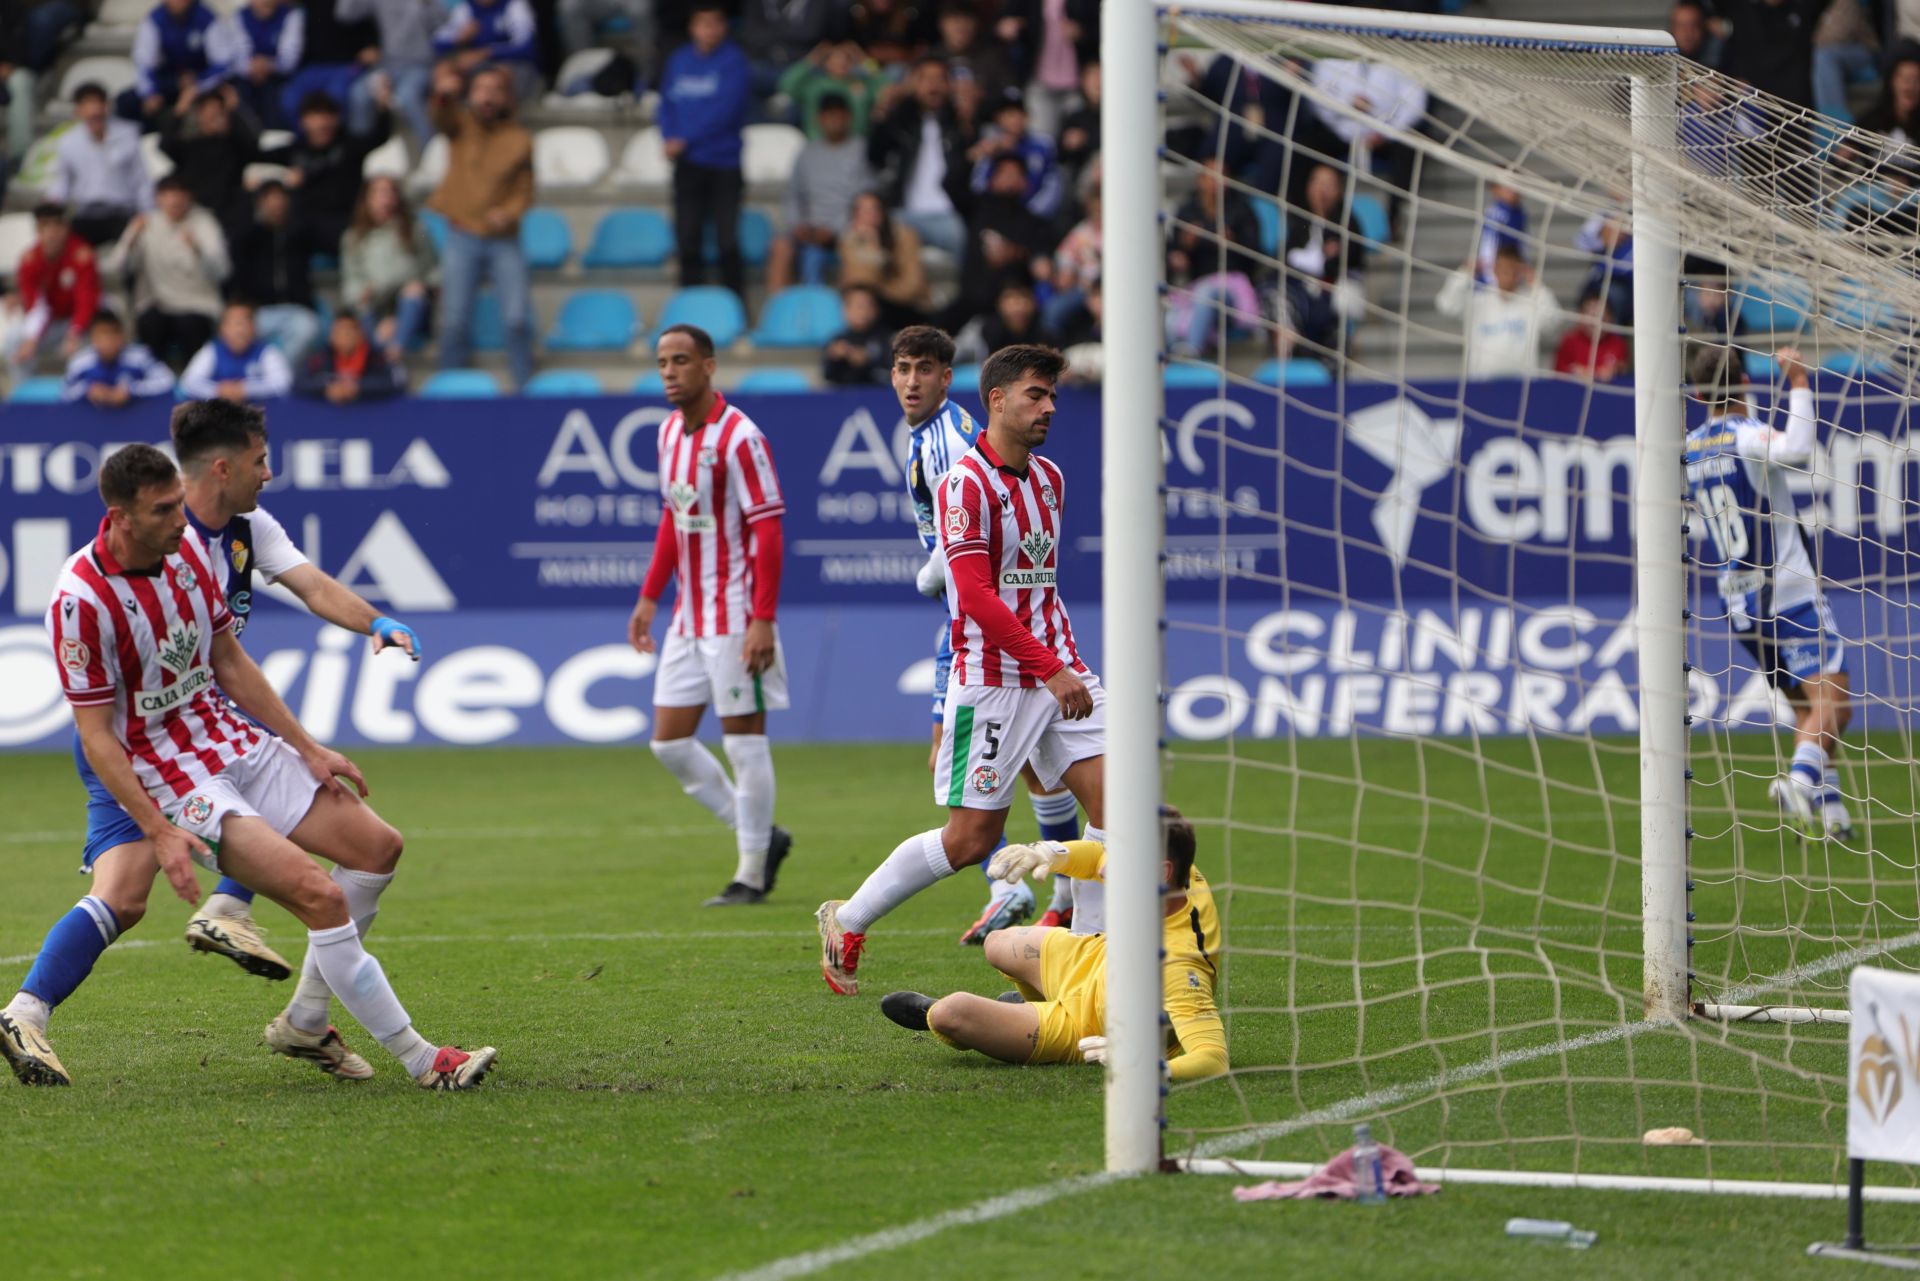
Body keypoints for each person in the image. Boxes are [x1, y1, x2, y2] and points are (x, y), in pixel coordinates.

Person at [8, 435, 491, 1091]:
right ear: (120, 516)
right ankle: (423, 1058)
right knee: (316, 894)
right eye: (162, 510)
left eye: (180, 503)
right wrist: (160, 830)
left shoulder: (185, 556)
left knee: (377, 846)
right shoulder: (80, 601)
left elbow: (230, 661)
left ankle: (305, 1017)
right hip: (171, 775)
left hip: (229, 736)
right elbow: (97, 738)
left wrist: (308, 747)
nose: (181, 520)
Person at [818, 344, 1105, 995]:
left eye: (1054, 396)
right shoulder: (963, 484)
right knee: (971, 839)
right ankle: (848, 918)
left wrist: (1062, 668)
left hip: (1062, 669)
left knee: (1117, 808)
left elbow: (1038, 589)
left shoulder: (1051, 478)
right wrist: (1047, 668)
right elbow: (973, 596)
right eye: (1037, 394)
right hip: (996, 682)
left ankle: (1087, 962)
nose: (1050, 407)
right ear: (996, 400)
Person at [889, 326, 1083, 940]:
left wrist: (936, 569)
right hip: (982, 626)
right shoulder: (925, 439)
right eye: (902, 368)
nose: (912, 381)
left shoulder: (953, 446)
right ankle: (1048, 894)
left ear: (950, 379)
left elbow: (970, 564)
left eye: (925, 369)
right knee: (1033, 771)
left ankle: (1016, 889)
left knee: (980, 770)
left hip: (978, 633)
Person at [628, 324, 795, 906]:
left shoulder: (741, 437)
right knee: (668, 743)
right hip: (687, 616)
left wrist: (762, 618)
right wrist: (651, 595)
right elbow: (676, 521)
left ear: (709, 366)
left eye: (680, 361)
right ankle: (760, 834)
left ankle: (750, 873)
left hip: (735, 615)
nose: (670, 372)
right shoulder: (669, 432)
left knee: (744, 744)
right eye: (662, 363)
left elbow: (768, 529)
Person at [878, 807, 1227, 1084]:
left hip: (1090, 1024)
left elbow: (1212, 1058)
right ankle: (1033, 1005)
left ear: (1162, 872)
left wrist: (1149, 1066)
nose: (1106, 870)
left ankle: (990, 1019)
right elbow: (1096, 855)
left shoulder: (1179, 965)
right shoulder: (1180, 872)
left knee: (950, 1013)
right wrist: (1048, 853)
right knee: (998, 942)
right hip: (1096, 960)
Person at [1685, 344, 1854, 841]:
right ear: (1746, 382)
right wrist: (1798, 379)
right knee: (1834, 706)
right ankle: (1800, 781)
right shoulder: (1747, 436)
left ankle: (1832, 813)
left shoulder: (1691, 446)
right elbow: (1797, 449)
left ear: (1697, 394)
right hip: (1788, 591)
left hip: (1740, 604)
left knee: (1806, 707)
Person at [427, 61, 534, 387]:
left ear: (505, 97)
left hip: (503, 239)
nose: (487, 96)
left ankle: (525, 390)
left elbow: (525, 189)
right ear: (471, 94)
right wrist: (443, 96)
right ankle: (449, 391)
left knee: (516, 319)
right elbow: (439, 117)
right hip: (462, 236)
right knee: (453, 322)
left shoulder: (519, 139)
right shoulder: (459, 125)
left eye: (495, 90)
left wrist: (510, 213)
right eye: (481, 89)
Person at [659, 4, 750, 300]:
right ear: (692, 27)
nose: (708, 30)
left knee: (726, 241)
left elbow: (726, 111)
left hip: (724, 164)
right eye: (703, 24)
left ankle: (735, 307)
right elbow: (666, 104)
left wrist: (683, 138)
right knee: (687, 241)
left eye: (715, 24)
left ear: (724, 27)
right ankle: (689, 308)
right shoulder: (680, 59)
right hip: (687, 165)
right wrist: (668, 135)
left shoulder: (734, 61)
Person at [108, 174, 229, 370]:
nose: (175, 199)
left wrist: (198, 250)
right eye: (168, 194)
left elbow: (222, 272)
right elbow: (117, 268)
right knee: (150, 324)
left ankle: (195, 384)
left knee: (191, 325)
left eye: (181, 193)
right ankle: (152, 382)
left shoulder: (205, 222)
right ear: (158, 198)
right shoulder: (144, 223)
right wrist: (130, 242)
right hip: (157, 301)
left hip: (197, 303)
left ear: (190, 197)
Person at [256, 86, 392, 254]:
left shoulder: (348, 146)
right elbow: (253, 154)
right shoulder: (295, 150)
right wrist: (281, 178)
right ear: (303, 121)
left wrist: (383, 107)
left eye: (328, 116)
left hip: (344, 222)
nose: (322, 123)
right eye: (315, 116)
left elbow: (379, 136)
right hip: (304, 227)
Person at [765, 91, 871, 293]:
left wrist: (834, 229)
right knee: (780, 246)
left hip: (847, 229)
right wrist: (798, 225)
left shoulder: (861, 150)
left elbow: (862, 199)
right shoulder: (807, 152)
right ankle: (776, 312)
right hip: (808, 228)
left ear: (849, 117)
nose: (834, 120)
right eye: (829, 115)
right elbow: (792, 194)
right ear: (819, 119)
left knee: (818, 255)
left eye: (839, 114)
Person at [867, 55, 970, 258]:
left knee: (964, 239)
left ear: (950, 86)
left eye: (940, 79)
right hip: (904, 213)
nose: (933, 86)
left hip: (947, 214)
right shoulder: (899, 123)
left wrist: (969, 117)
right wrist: (883, 110)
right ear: (912, 83)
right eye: (925, 79)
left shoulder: (957, 126)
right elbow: (875, 156)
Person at [1164, 156, 1264, 358]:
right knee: (1171, 308)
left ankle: (1192, 351)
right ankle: (1173, 355)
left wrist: (1232, 243)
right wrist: (1183, 249)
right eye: (1210, 176)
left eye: (1221, 176)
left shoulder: (1240, 209)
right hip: (1194, 285)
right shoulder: (1187, 210)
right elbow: (1174, 251)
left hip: (1233, 287)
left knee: (1206, 293)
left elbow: (1255, 252)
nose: (1216, 181)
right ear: (1200, 180)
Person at [1277, 162, 1367, 363]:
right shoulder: (1300, 222)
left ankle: (1334, 354)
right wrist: (1321, 260)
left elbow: (1344, 261)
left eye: (1328, 184)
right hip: (1303, 288)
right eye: (1317, 183)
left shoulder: (1347, 222)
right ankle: (1292, 355)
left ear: (1338, 190)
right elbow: (1287, 259)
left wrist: (1321, 265)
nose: (1321, 189)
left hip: (1338, 286)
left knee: (1339, 300)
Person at [342, 173, 437, 361]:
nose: (383, 199)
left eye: (388, 193)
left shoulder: (414, 230)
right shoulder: (353, 238)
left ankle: (394, 352)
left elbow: (432, 269)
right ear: (366, 200)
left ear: (397, 199)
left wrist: (396, 318)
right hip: (375, 306)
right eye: (377, 193)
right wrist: (364, 292)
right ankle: (380, 357)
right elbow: (350, 280)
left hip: (408, 306)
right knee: (361, 304)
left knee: (413, 290)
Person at [1434, 244, 1562, 380]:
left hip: (1523, 386)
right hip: (1481, 386)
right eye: (1503, 268)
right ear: (1494, 269)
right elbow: (1446, 306)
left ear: (1521, 271)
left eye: (1512, 269)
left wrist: (1537, 286)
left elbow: (1553, 321)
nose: (1508, 274)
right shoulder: (1478, 301)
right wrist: (1464, 273)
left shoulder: (1531, 302)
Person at [49, 83, 154, 247]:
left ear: (107, 107)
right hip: (85, 214)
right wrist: (53, 205)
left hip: (123, 212)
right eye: (90, 116)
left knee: (138, 246)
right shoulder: (68, 142)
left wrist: (147, 212)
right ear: (78, 111)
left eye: (98, 115)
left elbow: (140, 179)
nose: (95, 119)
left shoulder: (128, 135)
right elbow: (62, 181)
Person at [5, 203, 99, 384]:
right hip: (49, 323)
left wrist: (75, 331)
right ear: (38, 230)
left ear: (66, 228)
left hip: (80, 322)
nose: (52, 233)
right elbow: (35, 303)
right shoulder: (29, 260)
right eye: (45, 226)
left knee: (88, 349)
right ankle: (25, 396)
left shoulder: (82, 254)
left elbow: (86, 299)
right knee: (14, 342)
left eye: (57, 225)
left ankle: (81, 398)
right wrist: (32, 338)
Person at [231, 181, 323, 366]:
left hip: (296, 308)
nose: (276, 204)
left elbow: (323, 230)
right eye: (270, 199)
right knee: (237, 330)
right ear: (260, 203)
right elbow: (235, 247)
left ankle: (277, 376)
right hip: (258, 310)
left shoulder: (300, 233)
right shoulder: (249, 236)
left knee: (308, 328)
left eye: (280, 198)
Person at [157, 82, 263, 241]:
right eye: (208, 112)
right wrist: (180, 109)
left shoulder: (235, 147)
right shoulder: (189, 147)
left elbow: (253, 145)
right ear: (199, 115)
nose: (213, 116)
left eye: (218, 112)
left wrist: (234, 110)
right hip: (196, 216)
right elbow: (165, 145)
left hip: (230, 215)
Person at [337, 0, 439, 142]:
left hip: (420, 66)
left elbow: (443, 25)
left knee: (407, 96)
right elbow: (345, 14)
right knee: (358, 94)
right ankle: (358, 156)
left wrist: (428, 5)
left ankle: (432, 154)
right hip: (387, 66)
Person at [123, 0, 236, 126]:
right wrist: (150, 92)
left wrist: (197, 86)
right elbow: (143, 63)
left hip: (201, 83)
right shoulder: (154, 20)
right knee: (127, 102)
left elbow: (223, 62)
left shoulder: (206, 18)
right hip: (169, 82)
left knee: (232, 96)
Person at [964, 89, 1060, 222]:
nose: (1015, 119)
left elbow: (1052, 187)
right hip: (996, 216)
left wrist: (1031, 214)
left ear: (1027, 116)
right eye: (1009, 114)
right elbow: (977, 186)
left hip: (1033, 217)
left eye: (1018, 114)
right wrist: (987, 154)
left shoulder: (1043, 145)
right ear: (998, 118)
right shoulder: (990, 145)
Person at [836, 189, 929, 327]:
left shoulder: (905, 237)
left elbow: (911, 286)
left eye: (874, 210)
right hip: (869, 305)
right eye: (862, 211)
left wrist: (875, 253)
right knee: (860, 298)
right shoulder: (850, 240)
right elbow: (854, 282)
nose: (869, 216)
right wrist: (866, 248)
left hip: (903, 305)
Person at [180, 300, 295, 400]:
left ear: (254, 328)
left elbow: (283, 383)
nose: (240, 330)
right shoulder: (211, 350)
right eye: (234, 324)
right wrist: (218, 390)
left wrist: (246, 390)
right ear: (222, 329)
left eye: (245, 323)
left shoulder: (267, 351)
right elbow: (188, 382)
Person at [434, 0, 542, 102]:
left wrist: (486, 53)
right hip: (476, 65)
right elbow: (438, 43)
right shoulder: (467, 7)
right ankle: (447, 114)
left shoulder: (513, 5)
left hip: (513, 65)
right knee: (445, 70)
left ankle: (499, 117)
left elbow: (527, 47)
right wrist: (459, 38)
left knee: (490, 80)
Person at [61, 311, 177, 405]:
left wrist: (131, 390)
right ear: (93, 339)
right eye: (102, 335)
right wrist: (88, 390)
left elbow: (168, 383)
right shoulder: (80, 362)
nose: (108, 342)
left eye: (113, 334)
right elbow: (64, 394)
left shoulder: (140, 356)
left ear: (121, 336)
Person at [776, 40, 883, 140]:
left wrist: (863, 59)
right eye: (836, 58)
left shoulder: (861, 85)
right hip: (818, 143)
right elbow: (786, 85)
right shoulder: (813, 85)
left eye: (847, 59)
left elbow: (885, 89)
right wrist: (811, 59)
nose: (843, 63)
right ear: (826, 63)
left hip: (855, 146)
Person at [225, 0, 305, 127]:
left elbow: (290, 59)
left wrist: (268, 65)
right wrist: (251, 67)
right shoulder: (239, 16)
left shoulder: (291, 15)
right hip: (247, 77)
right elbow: (236, 56)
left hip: (279, 77)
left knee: (276, 98)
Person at [297, 312, 405, 401]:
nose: (344, 336)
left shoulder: (375, 357)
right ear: (331, 336)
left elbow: (395, 382)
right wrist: (326, 388)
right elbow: (298, 381)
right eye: (339, 331)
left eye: (348, 331)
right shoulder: (320, 358)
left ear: (359, 334)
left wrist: (358, 388)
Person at [1553, 290, 1629, 383]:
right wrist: (1574, 372)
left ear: (1610, 317)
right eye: (1590, 315)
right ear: (1580, 316)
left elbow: (1623, 370)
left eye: (1600, 316)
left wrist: (1615, 370)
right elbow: (1557, 376)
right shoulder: (1569, 341)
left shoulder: (1618, 343)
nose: (1595, 322)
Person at [821, 284, 890, 386]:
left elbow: (889, 372)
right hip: (843, 396)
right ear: (845, 310)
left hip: (876, 394)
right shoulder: (837, 340)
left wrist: (867, 362)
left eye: (868, 305)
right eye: (858, 306)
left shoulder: (884, 339)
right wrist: (834, 359)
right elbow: (827, 375)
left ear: (876, 310)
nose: (864, 311)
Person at [1474, 181, 1526, 285]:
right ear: (1495, 190)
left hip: (1512, 273)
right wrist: (1490, 277)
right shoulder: (1495, 214)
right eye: (1507, 186)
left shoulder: (1520, 213)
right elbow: (1488, 246)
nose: (1513, 190)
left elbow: (1522, 246)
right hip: (1494, 277)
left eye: (1516, 185)